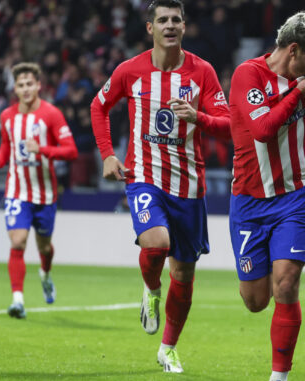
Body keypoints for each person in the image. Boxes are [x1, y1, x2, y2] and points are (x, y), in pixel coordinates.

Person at [90, 0, 231, 373]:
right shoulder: (130, 70)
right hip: (144, 177)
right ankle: (152, 289)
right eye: (162, 20)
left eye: (176, 20)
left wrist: (197, 117)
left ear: (184, 27)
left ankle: (167, 348)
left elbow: (229, 123)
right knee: (156, 243)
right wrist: (108, 154)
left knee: (183, 275)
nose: (170, 25)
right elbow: (98, 106)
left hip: (188, 185)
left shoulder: (202, 72)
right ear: (150, 28)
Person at [228, 12, 305, 381]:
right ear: (294, 49)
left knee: (286, 282)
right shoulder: (248, 75)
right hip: (249, 201)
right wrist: (297, 92)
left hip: (292, 199)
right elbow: (263, 130)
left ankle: (279, 376)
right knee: (255, 302)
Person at [0, 62, 78, 319]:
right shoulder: (7, 117)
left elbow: (71, 150)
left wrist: (44, 149)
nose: (25, 89)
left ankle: (46, 274)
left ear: (39, 85)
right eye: (20, 85)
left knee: (45, 247)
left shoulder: (51, 114)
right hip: (17, 191)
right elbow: (7, 146)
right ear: (14, 88)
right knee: (18, 241)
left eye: (29, 84)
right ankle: (17, 300)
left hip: (46, 195)